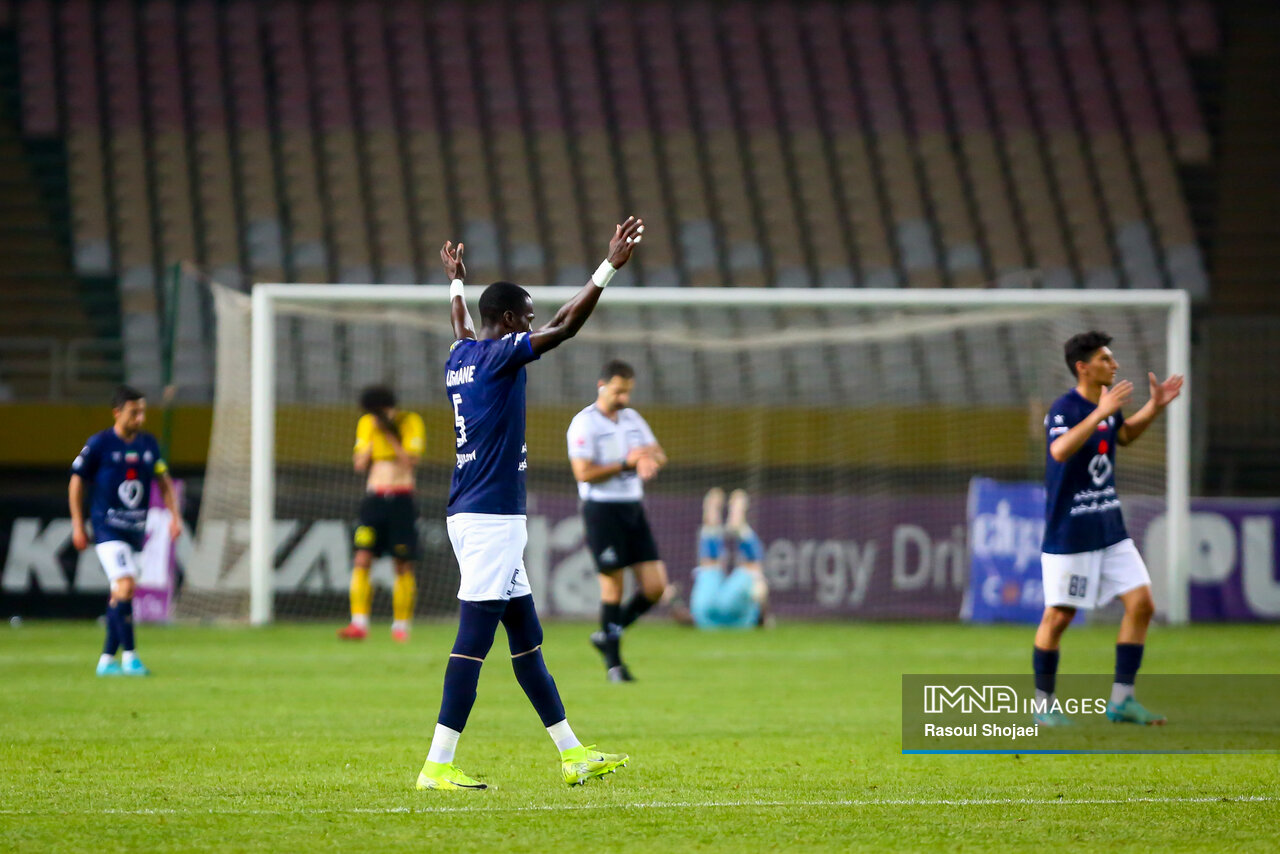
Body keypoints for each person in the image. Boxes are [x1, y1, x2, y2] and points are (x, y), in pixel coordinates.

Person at [416, 215, 645, 791]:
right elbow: (565, 327)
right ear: (511, 321)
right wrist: (608, 267)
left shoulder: (460, 356)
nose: (534, 321)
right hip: (491, 518)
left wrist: (455, 282)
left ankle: (572, 754)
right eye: (527, 315)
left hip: (474, 511)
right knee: (473, 643)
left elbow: (462, 322)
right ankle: (437, 764)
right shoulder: (499, 357)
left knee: (526, 640)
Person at [1033, 331, 1183, 726]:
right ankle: (1043, 705)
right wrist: (1100, 413)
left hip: (1109, 527)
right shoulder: (1065, 408)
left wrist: (1154, 406)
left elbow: (1124, 435)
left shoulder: (1106, 404)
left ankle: (1122, 700)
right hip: (1070, 532)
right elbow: (1059, 450)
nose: (1114, 365)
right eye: (1105, 359)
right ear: (1083, 367)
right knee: (1058, 617)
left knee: (1142, 604)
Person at [69, 385, 182, 676]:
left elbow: (163, 482)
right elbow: (77, 481)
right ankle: (131, 657)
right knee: (126, 585)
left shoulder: (148, 445)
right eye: (134, 413)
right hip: (107, 528)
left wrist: (175, 516)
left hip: (135, 531)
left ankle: (107, 660)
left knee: (120, 594)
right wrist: (78, 523)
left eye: (142, 412)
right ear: (116, 413)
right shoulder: (100, 444)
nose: (140, 418)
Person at [567, 359, 669, 682]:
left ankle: (606, 634)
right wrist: (626, 464)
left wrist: (648, 460)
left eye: (628, 392)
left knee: (655, 587)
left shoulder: (632, 419)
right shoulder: (584, 423)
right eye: (618, 391)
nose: (624, 398)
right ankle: (614, 665)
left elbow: (659, 453)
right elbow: (583, 473)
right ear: (602, 386)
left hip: (633, 508)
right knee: (613, 586)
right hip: (602, 511)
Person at [339, 385, 426, 643]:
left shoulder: (410, 421)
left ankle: (401, 625)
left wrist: (389, 434)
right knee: (362, 557)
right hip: (374, 498)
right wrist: (371, 439)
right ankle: (358, 623)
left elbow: (411, 461)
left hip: (402, 499)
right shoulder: (367, 423)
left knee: (402, 563)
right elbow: (359, 464)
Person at [686, 488, 770, 630]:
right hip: (739, 620)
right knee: (751, 567)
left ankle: (710, 526)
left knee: (710, 566)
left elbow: (685, 617)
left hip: (706, 620)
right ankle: (740, 528)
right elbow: (761, 601)